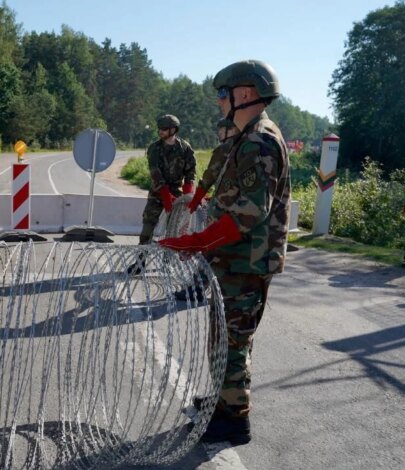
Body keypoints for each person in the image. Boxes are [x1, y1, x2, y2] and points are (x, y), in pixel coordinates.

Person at [158, 60, 291, 445]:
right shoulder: (245, 138)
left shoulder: (259, 141)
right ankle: (223, 401)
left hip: (245, 260)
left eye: (222, 94)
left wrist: (196, 242)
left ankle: (233, 419)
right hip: (235, 257)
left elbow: (248, 214)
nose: (218, 102)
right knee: (224, 337)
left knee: (232, 340)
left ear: (244, 94)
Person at [127, 114, 196, 274]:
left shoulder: (185, 148)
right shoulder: (154, 148)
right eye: (159, 129)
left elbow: (191, 173)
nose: (160, 132)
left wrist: (187, 197)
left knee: (173, 231)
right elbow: (155, 173)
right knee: (147, 229)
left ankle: (168, 262)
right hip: (157, 194)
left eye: (164, 129)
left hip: (177, 195)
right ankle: (140, 262)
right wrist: (165, 196)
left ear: (173, 130)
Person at [187, 118, 240, 213]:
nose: (219, 132)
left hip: (226, 204)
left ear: (233, 129)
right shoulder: (247, 144)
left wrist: (196, 199)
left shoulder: (224, 148)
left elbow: (209, 177)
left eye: (222, 129)